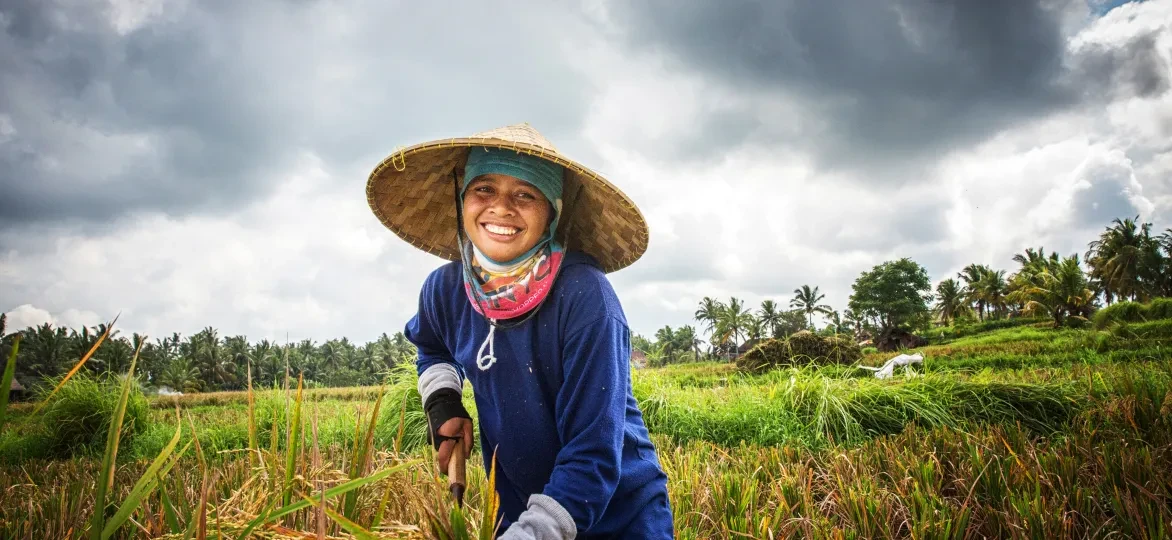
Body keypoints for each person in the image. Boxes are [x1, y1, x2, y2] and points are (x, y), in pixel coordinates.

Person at [365, 124, 673, 539]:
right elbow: (432, 345)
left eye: (525, 195)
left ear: (553, 211)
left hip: (618, 515)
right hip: (520, 509)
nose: (501, 208)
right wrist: (444, 403)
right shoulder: (444, 290)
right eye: (484, 189)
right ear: (461, 199)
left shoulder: (585, 297)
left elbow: (593, 453)